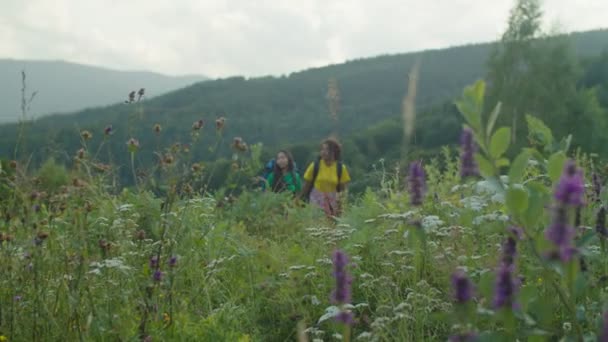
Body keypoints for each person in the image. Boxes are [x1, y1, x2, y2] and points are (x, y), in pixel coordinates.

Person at [301, 138, 351, 216]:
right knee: (315, 224)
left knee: (330, 225)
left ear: (334, 152)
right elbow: (306, 185)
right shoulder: (315, 166)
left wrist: (341, 206)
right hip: (315, 200)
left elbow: (343, 190)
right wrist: (300, 200)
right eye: (322, 149)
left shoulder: (341, 168)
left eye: (326, 149)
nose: (323, 152)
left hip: (332, 201)